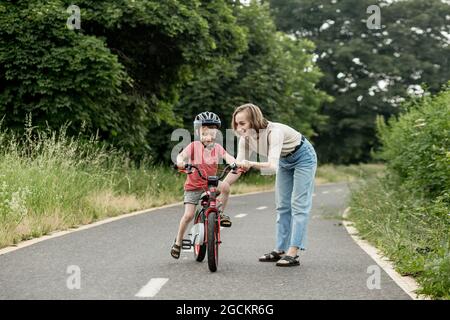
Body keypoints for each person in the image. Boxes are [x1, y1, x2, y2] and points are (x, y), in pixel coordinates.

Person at [224, 103, 317, 267]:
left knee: (298, 205)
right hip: (284, 160)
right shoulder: (244, 140)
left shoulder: (274, 132)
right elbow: (238, 168)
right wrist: (222, 187)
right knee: (282, 206)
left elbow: (272, 167)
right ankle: (280, 250)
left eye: (242, 123)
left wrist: (250, 163)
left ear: (254, 120)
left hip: (303, 157)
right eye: (236, 124)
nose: (239, 128)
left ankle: (293, 252)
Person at [170, 111, 237, 259]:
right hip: (193, 186)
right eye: (205, 134)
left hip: (211, 183)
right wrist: (181, 162)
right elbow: (181, 156)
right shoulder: (194, 146)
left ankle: (220, 212)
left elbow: (227, 156)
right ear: (198, 132)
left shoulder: (217, 148)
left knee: (225, 187)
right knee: (188, 215)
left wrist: (233, 162)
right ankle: (178, 242)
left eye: (212, 134)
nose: (209, 137)